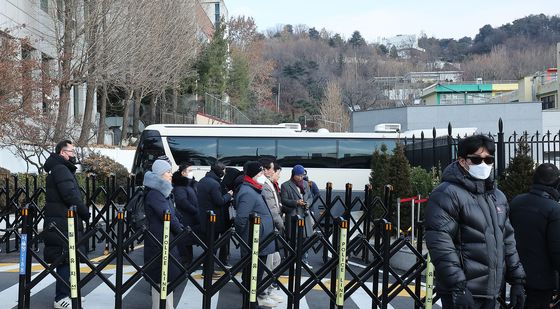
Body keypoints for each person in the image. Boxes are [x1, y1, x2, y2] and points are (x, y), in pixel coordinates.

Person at [425, 134, 526, 309]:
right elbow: (441, 243)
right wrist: (459, 286)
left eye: (488, 159)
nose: (483, 164)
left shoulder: (497, 196)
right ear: (462, 161)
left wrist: (517, 280)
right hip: (462, 292)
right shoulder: (446, 194)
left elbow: (507, 240)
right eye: (476, 159)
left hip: (492, 291)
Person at [43, 140, 90, 309]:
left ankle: (72, 292)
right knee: (64, 258)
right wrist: (84, 212)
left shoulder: (60, 168)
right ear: (63, 153)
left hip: (63, 219)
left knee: (71, 258)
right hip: (63, 221)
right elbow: (70, 195)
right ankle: (61, 297)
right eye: (71, 151)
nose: (74, 154)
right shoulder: (61, 169)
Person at [509, 163, 560, 309]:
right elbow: (556, 250)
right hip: (541, 280)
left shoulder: (516, 202)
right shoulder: (554, 209)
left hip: (515, 274)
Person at [234, 161, 278, 308]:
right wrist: (244, 237)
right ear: (253, 175)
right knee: (253, 275)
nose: (262, 176)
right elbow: (241, 219)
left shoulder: (253, 189)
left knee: (256, 275)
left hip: (261, 240)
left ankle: (252, 304)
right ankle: (250, 305)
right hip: (255, 241)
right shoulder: (248, 192)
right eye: (259, 173)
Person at [143, 159, 184, 309]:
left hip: (165, 239)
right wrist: (180, 230)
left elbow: (173, 215)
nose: (171, 174)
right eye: (168, 172)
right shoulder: (156, 194)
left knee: (166, 278)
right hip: (159, 240)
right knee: (162, 277)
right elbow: (167, 215)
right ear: (160, 174)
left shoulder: (163, 191)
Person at [197, 161, 233, 267]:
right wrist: (228, 195)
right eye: (224, 170)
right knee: (213, 244)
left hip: (204, 216)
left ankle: (207, 266)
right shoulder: (214, 184)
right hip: (214, 219)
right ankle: (208, 269)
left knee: (209, 244)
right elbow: (220, 201)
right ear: (220, 171)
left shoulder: (203, 180)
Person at [259, 158, 284, 303]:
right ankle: (262, 294)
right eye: (276, 171)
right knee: (269, 262)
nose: (277, 174)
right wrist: (282, 225)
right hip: (269, 230)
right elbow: (273, 209)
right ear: (267, 170)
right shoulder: (265, 185)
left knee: (276, 260)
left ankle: (268, 290)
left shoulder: (270, 184)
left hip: (272, 229)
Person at [280, 164, 314, 269]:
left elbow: (310, 196)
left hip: (305, 214)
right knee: (293, 239)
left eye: (302, 175)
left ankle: (304, 260)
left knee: (305, 239)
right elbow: (284, 200)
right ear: (293, 175)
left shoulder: (305, 184)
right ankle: (293, 260)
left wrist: (307, 203)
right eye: (298, 175)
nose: (301, 177)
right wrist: (296, 202)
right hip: (294, 215)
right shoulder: (286, 185)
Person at [171, 161, 199, 266]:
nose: (192, 173)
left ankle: (188, 263)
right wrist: (195, 210)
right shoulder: (180, 186)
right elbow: (183, 202)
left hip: (191, 217)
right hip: (185, 217)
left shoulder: (190, 184)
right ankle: (185, 264)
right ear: (183, 173)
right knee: (185, 241)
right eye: (190, 171)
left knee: (188, 241)